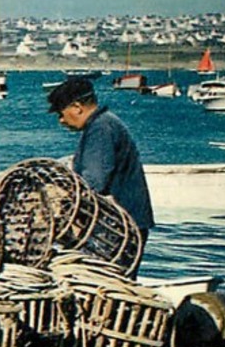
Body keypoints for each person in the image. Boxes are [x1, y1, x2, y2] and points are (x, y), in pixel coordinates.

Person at [46, 76, 154, 236]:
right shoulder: (105, 123)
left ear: (77, 107)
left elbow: (94, 182)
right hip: (129, 222)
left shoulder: (100, 129)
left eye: (61, 114)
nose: (61, 121)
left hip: (119, 227)